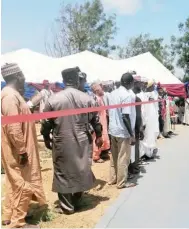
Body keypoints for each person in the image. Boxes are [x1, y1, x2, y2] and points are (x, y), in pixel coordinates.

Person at [41, 67, 103, 214]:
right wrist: (99, 136)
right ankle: (77, 198)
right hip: (83, 140)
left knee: (63, 172)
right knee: (81, 169)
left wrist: (45, 138)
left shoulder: (54, 99)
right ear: (77, 80)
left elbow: (45, 124)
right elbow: (96, 121)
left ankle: (67, 206)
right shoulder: (88, 99)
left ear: (63, 81)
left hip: (62, 141)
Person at [1, 63, 47, 228]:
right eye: (22, 75)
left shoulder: (11, 95)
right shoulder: (9, 96)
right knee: (21, 183)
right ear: (17, 76)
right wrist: (22, 150)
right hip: (17, 148)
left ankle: (8, 215)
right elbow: (13, 127)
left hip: (18, 146)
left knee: (14, 182)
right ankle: (18, 223)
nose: (25, 78)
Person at [106, 72, 136, 188]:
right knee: (123, 157)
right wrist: (131, 134)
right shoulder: (127, 95)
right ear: (129, 83)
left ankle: (113, 178)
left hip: (113, 129)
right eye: (132, 82)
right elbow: (125, 116)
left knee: (114, 156)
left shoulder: (113, 93)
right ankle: (121, 182)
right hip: (123, 131)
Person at [91, 82, 111, 163]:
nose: (102, 90)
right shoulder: (96, 99)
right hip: (99, 122)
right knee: (97, 138)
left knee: (104, 137)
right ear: (96, 90)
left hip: (103, 121)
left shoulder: (99, 98)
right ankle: (96, 156)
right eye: (101, 89)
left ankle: (102, 153)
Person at [142, 80, 160, 158]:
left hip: (153, 116)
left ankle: (151, 150)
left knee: (152, 134)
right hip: (148, 117)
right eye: (152, 85)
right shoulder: (146, 95)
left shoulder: (153, 93)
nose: (154, 86)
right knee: (147, 135)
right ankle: (147, 153)